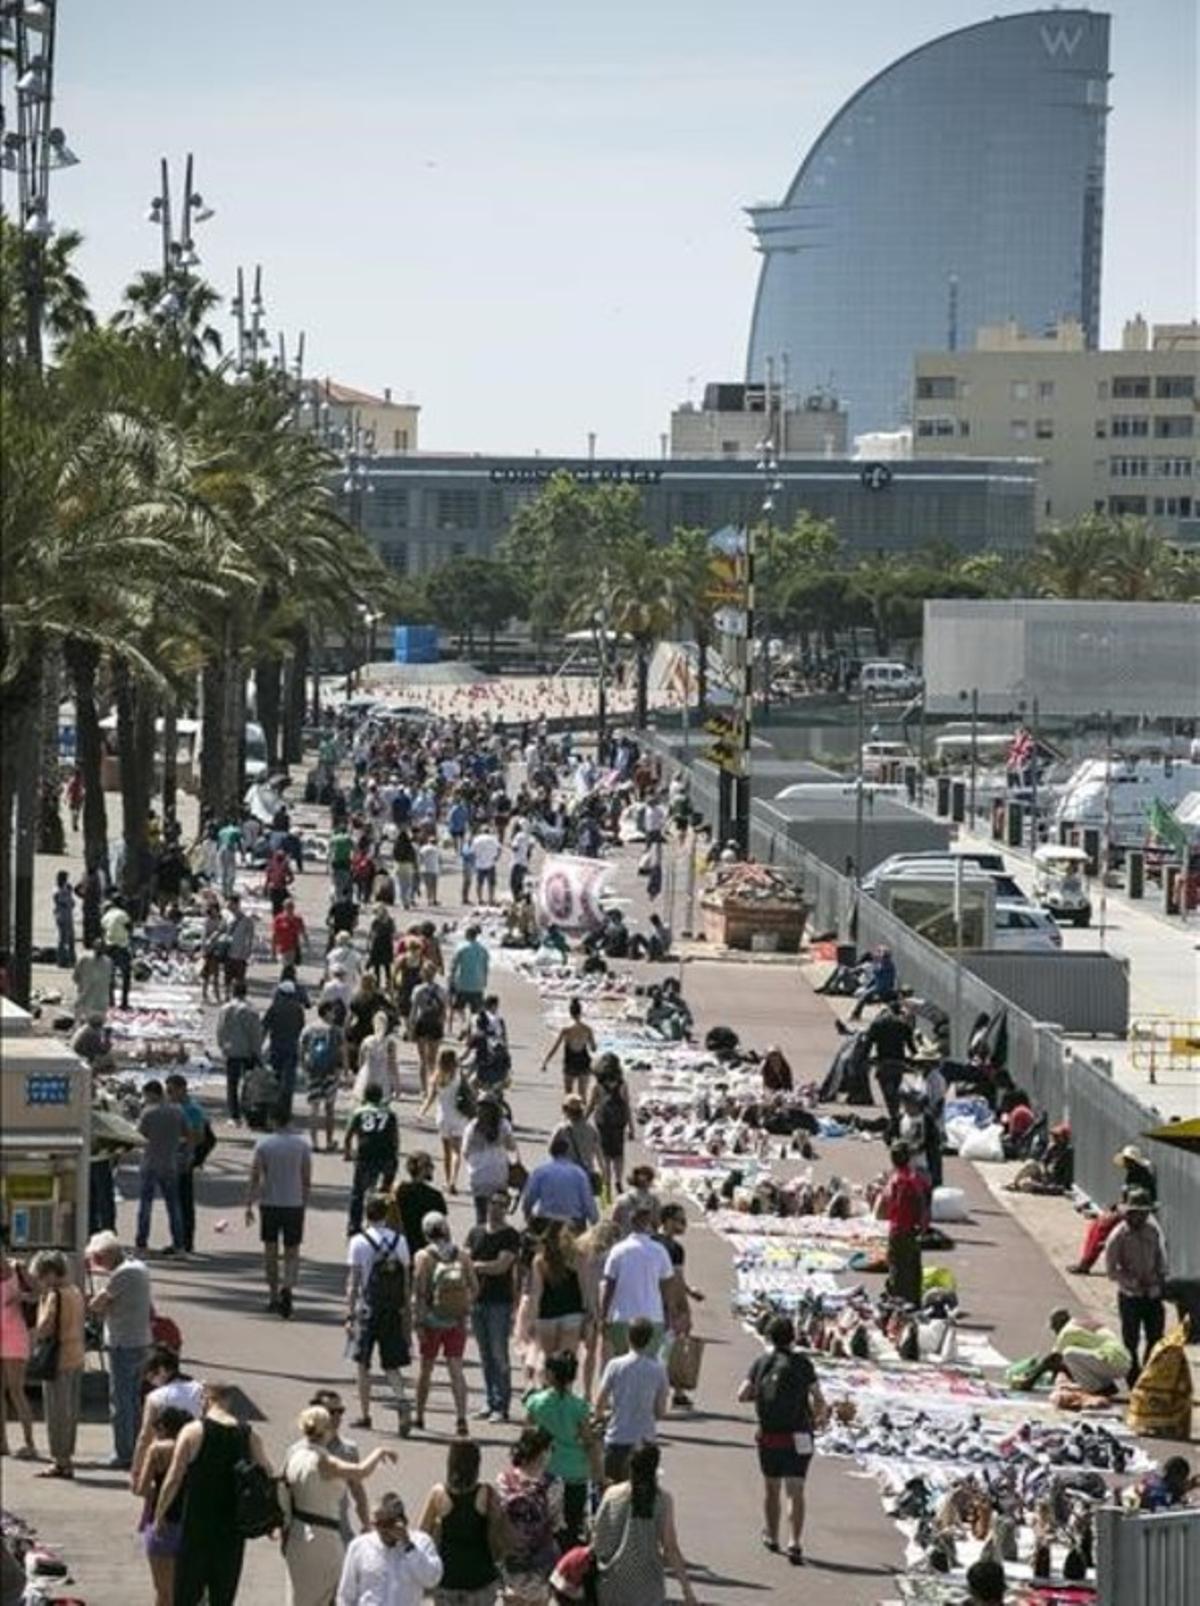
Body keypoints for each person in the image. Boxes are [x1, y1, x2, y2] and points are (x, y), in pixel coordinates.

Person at [154, 1380, 273, 1606]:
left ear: (206, 1399)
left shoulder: (193, 1431)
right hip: (232, 1528)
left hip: (196, 1526)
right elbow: (266, 1473)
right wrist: (269, 1520)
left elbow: (174, 1478)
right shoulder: (247, 1434)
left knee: (187, 1594)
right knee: (222, 1597)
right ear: (228, 1401)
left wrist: (160, 1513)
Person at [281, 1405, 399, 1606]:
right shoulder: (323, 1460)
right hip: (322, 1539)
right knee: (328, 1596)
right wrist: (379, 1452)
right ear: (326, 1429)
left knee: (299, 1597)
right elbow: (360, 1471)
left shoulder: (295, 1455)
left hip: (297, 1534)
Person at [738, 1314, 827, 1565]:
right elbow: (818, 1398)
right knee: (796, 1490)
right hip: (799, 1434)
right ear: (793, 1337)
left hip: (770, 1435)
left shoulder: (762, 1363)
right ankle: (795, 1542)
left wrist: (762, 1393)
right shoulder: (802, 1364)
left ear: (769, 1337)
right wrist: (819, 1417)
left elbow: (741, 1394)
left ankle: (772, 1534)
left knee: (772, 1488)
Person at [592, 1441, 697, 1606]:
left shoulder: (612, 1495)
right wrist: (687, 1591)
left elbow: (597, 1538)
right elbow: (670, 1548)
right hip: (647, 1586)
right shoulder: (662, 1500)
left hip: (611, 1582)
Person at [346, 1195, 413, 1436]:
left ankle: (365, 1414)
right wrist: (406, 1310)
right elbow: (405, 1281)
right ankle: (403, 1402)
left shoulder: (358, 1242)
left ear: (366, 1214)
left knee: (363, 1363)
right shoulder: (400, 1241)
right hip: (392, 1309)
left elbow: (353, 1282)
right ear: (386, 1214)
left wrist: (349, 1313)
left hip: (367, 1309)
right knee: (392, 1363)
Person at [86, 1230, 152, 1470]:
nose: (97, 1265)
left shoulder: (123, 1274)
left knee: (121, 1401)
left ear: (109, 1254)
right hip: (140, 1341)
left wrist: (100, 1297)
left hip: (124, 1343)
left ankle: (123, 1453)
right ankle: (133, 1447)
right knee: (133, 1400)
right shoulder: (139, 1267)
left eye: (98, 1259)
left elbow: (96, 1304)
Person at [417, 1438, 504, 1606]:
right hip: (481, 1576)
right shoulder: (486, 1493)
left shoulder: (438, 1493)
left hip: (447, 1577)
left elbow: (421, 1534)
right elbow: (498, 1528)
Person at [412, 1212, 478, 1436]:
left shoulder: (423, 1256)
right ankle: (461, 1418)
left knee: (426, 1369)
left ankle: (419, 1415)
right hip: (456, 1322)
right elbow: (474, 1287)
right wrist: (463, 1307)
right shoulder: (463, 1256)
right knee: (456, 1370)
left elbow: (419, 1293)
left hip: (432, 1321)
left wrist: (418, 1323)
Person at [245, 1107, 312, 1318]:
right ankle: (288, 1287)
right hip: (294, 1203)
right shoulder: (302, 1144)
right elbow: (306, 1178)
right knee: (292, 1251)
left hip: (270, 1203)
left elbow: (255, 1176)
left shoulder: (264, 1144)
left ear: (273, 1120)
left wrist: (248, 1204)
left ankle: (273, 1296)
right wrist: (304, 1202)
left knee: (270, 1252)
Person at [525, 1351, 595, 1547]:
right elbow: (588, 1440)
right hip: (576, 1472)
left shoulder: (536, 1402)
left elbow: (527, 1433)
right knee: (573, 1525)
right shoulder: (579, 1406)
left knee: (545, 1523)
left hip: (547, 1470)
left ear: (549, 1374)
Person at [464, 1189, 522, 1425]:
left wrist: (475, 1266)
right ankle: (489, 1401)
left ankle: (502, 1405)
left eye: (502, 1204)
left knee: (499, 1355)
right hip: (477, 1300)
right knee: (485, 1355)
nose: (497, 1208)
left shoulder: (510, 1235)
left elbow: (502, 1265)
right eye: (494, 1203)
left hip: (499, 1301)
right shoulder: (475, 1232)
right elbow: (464, 1258)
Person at [29, 1250, 85, 1479]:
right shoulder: (75, 1292)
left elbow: (45, 1327)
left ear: (51, 1273)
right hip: (76, 1355)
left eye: (41, 1276)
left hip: (57, 1358)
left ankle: (60, 1460)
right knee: (70, 1410)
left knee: (56, 1411)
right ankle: (66, 1456)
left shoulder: (54, 1295)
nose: (40, 1281)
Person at [1104, 1188, 1168, 1386]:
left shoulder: (1152, 1232)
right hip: (1130, 1296)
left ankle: (1148, 1375)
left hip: (1152, 1294)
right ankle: (1133, 1379)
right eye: (1136, 1212)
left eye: (1144, 1212)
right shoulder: (1117, 1236)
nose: (1140, 1216)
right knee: (1130, 1341)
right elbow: (1111, 1270)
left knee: (1156, 1337)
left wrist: (1158, 1279)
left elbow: (1160, 1258)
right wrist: (1132, 1282)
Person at [336, 1490, 444, 1605]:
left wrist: (408, 1546)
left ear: (401, 1520)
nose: (382, 1530)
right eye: (377, 1524)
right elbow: (346, 1594)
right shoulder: (359, 1546)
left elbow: (432, 1579)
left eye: (387, 1524)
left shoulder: (421, 1542)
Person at [594, 1317, 668, 1483]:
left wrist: (602, 1417)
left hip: (617, 1437)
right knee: (641, 1491)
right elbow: (660, 1411)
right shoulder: (658, 1369)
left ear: (628, 1337)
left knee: (611, 1489)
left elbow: (600, 1402)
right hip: (645, 1439)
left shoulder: (615, 1365)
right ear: (649, 1340)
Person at [134, 1403, 191, 1605]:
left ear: (164, 1428)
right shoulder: (192, 1448)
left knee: (163, 1591)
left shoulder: (158, 1450)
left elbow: (140, 1488)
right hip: (189, 1524)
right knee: (184, 1591)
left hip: (161, 1523)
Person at [495, 1426, 562, 1601]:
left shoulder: (504, 1479)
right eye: (550, 1449)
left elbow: (501, 1515)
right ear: (542, 1452)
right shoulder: (554, 1483)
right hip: (541, 1557)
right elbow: (555, 1521)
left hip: (512, 1556)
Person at [130, 1344, 206, 1489]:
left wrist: (136, 1470)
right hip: (198, 1457)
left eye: (151, 1375)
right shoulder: (201, 1389)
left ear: (163, 1370)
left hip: (168, 1459)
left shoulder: (156, 1397)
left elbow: (145, 1436)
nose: (150, 1381)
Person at [1013, 1308, 1132, 1396]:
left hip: (1112, 1360)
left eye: (1054, 1328)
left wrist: (1030, 1379)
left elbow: (1052, 1359)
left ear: (1058, 1324)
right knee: (1071, 1359)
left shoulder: (1067, 1331)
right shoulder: (1079, 1323)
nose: (1055, 1332)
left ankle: (1096, 1389)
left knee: (1069, 1353)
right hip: (1121, 1360)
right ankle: (1107, 1386)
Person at [656, 1204, 705, 1409]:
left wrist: (690, 1290)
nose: (683, 1225)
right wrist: (681, 1309)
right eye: (679, 1220)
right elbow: (675, 1279)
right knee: (670, 1348)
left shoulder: (652, 1242)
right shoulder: (674, 1249)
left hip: (650, 1299)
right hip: (667, 1304)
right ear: (667, 1221)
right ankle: (674, 1391)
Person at [530, 1221, 591, 1365]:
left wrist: (532, 1318)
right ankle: (565, 1387)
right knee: (567, 1362)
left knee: (548, 1360)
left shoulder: (540, 1260)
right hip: (572, 1312)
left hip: (547, 1314)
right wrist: (588, 1311)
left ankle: (549, 1386)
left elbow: (537, 1292)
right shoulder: (578, 1257)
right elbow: (584, 1287)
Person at [344, 1084, 401, 1237]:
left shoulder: (359, 1112)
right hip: (386, 1155)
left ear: (365, 1097)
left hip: (365, 1154)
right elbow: (395, 1138)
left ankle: (354, 1225)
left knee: (358, 1192)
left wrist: (347, 1152)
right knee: (386, 1191)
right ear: (380, 1096)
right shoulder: (389, 1113)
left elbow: (349, 1134)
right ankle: (384, 1221)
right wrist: (395, 1154)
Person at [0, 1232, 37, 1460]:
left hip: (14, 1333)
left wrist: (21, 1296)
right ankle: (2, 1443)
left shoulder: (18, 1268)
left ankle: (29, 1442)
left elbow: (39, 1293)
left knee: (16, 1390)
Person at [879, 1141, 930, 1309]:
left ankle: (897, 1303)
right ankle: (913, 1302)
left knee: (897, 1267)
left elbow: (885, 1206)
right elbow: (924, 1203)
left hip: (897, 1229)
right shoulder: (916, 1179)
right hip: (913, 1230)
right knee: (913, 1267)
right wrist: (922, 1225)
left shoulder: (895, 1180)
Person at [419, 1045, 470, 1194]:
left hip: (443, 1117)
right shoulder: (459, 1075)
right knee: (456, 1152)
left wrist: (421, 1112)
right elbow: (469, 1091)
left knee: (446, 1152)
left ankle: (447, 1181)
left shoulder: (436, 1077)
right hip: (458, 1116)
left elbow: (430, 1098)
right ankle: (453, 1181)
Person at [463, 1095, 520, 1226]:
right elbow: (511, 1146)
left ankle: (482, 1237)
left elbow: (465, 1152)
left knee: (481, 1215)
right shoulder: (503, 1125)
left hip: (478, 1177)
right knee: (499, 1214)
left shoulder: (472, 1127)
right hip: (498, 1176)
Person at [165, 1073, 206, 1256]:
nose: (169, 1094)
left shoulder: (192, 1109)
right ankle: (177, 1240)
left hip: (185, 1159)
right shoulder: (171, 1107)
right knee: (174, 1202)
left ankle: (186, 1241)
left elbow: (199, 1135)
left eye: (171, 1090)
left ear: (182, 1089)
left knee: (184, 1201)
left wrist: (184, 1143)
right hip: (171, 1158)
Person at [521, 1136, 599, 1232]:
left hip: (546, 1222)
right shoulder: (579, 1173)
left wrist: (528, 1215)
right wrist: (595, 1222)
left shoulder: (541, 1171)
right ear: (568, 1152)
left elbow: (529, 1197)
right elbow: (588, 1202)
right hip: (573, 1222)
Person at [588, 1057, 636, 1203]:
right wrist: (631, 1127)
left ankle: (606, 1187)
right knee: (618, 1155)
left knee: (605, 1157)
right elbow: (627, 1106)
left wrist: (582, 1120)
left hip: (603, 1124)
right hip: (618, 1124)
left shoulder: (597, 1086)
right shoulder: (622, 1085)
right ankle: (618, 1181)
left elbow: (591, 1105)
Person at [216, 980, 263, 1126]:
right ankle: (248, 1112)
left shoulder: (225, 1009)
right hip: (248, 1051)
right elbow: (255, 1033)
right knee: (249, 1084)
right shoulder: (251, 1010)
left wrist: (223, 1046)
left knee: (232, 1084)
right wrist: (257, 1051)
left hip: (231, 1050)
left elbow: (220, 1030)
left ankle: (234, 1116)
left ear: (232, 991)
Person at [301, 999, 346, 1152]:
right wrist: (344, 1070)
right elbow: (342, 1051)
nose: (334, 1014)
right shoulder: (335, 1030)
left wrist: (304, 1065)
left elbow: (301, 1048)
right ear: (326, 1012)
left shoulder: (309, 1028)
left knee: (314, 1107)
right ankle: (329, 1141)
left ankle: (313, 1142)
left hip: (314, 1071)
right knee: (329, 1107)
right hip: (331, 1072)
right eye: (332, 1011)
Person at [863, 1002, 915, 1133]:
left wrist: (864, 1059)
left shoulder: (877, 1024)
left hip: (883, 1062)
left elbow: (868, 1044)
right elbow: (911, 1046)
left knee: (887, 1092)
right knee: (894, 1088)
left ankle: (894, 1118)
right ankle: (895, 1117)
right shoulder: (903, 1025)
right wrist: (917, 1060)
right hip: (898, 1063)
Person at [263, 977, 308, 1121]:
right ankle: (286, 1111)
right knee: (288, 1081)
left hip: (276, 1046)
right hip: (292, 1047)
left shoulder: (274, 1007)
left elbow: (265, 1027)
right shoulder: (297, 1009)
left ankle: (273, 1108)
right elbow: (301, 1027)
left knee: (275, 1078)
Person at [390, 1152, 448, 1259]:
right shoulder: (435, 1196)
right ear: (423, 1169)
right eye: (431, 1166)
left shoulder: (398, 1190)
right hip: (425, 1249)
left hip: (400, 1245)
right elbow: (441, 1226)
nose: (433, 1169)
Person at [542, 999, 595, 1100]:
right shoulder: (587, 1029)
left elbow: (555, 1047)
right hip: (584, 1063)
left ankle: (570, 1114)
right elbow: (593, 1048)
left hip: (570, 1062)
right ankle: (582, 1115)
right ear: (581, 1012)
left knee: (568, 1095)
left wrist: (546, 1061)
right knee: (583, 1095)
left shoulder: (566, 1030)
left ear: (570, 1013)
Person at [408, 964, 448, 1095]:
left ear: (423, 974)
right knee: (433, 1058)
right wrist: (442, 1026)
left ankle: (424, 1088)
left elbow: (414, 1011)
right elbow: (444, 1012)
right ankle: (433, 1085)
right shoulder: (442, 990)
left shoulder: (418, 989)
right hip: (435, 1025)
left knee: (423, 1059)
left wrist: (410, 1028)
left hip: (422, 1024)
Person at [551, 1097, 602, 1197]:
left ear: (565, 1110)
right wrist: (602, 1173)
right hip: (585, 1172)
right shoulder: (591, 1129)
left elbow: (551, 1150)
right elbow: (599, 1154)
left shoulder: (561, 1129)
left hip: (565, 1172)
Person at [354, 1010, 402, 1105]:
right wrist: (397, 1085)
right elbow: (393, 1065)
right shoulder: (390, 1043)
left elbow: (360, 1062)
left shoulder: (366, 1041)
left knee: (365, 1105)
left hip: (367, 1076)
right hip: (383, 1078)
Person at [449, 924, 491, 1027]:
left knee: (458, 1007)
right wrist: (484, 980)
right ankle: (470, 1025)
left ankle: (463, 1022)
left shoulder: (461, 948)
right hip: (477, 984)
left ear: (466, 935)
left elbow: (453, 965)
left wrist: (451, 979)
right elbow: (485, 967)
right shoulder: (483, 950)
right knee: (475, 1010)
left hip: (462, 983)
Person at [101, 894, 133, 1008]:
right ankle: (124, 1002)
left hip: (109, 948)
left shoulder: (106, 915)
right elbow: (130, 927)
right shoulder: (122, 914)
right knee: (126, 975)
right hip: (121, 946)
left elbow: (103, 931)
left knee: (110, 975)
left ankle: (111, 1001)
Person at [848, 945, 896, 1019]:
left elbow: (880, 972)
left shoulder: (888, 965)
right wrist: (869, 986)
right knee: (863, 997)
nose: (880, 956)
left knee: (864, 997)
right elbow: (875, 978)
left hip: (883, 987)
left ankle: (855, 1014)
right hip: (878, 986)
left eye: (882, 954)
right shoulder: (880, 963)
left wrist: (877, 961)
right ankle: (856, 1014)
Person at [72, 938, 113, 1023]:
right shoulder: (108, 962)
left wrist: (82, 987)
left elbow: (75, 978)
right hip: (100, 1005)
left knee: (81, 1022)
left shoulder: (84, 959)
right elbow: (110, 982)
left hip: (85, 1002)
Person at [53, 868, 76, 968]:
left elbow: (71, 902)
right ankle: (61, 960)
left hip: (68, 916)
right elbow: (59, 900)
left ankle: (71, 959)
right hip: (62, 917)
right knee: (63, 939)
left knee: (71, 938)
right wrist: (66, 892)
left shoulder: (66, 889)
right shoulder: (57, 890)